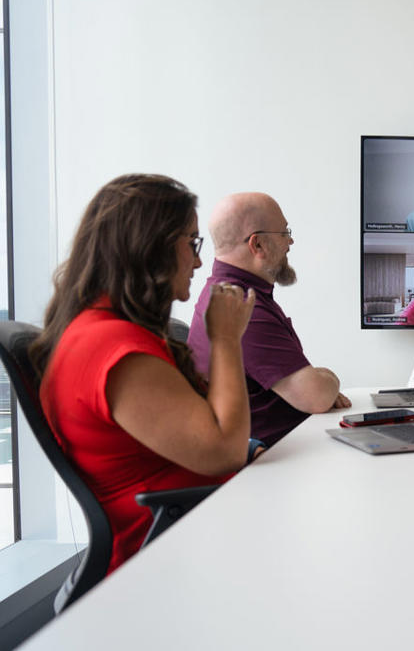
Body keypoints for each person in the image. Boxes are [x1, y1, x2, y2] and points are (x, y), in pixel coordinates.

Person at [34, 174, 257, 574]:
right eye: (191, 243)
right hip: (173, 557)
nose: (198, 260)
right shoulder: (112, 347)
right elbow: (223, 451)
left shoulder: (109, 332)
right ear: (150, 247)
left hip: (201, 533)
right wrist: (224, 338)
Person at [189, 192, 350, 449]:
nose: (291, 241)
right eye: (284, 233)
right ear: (258, 245)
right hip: (271, 462)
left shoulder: (228, 293)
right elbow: (315, 396)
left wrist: (314, 384)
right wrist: (327, 378)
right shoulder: (241, 304)